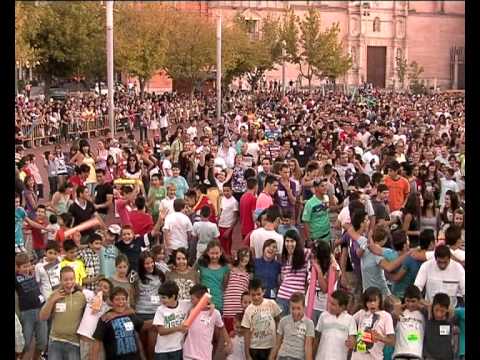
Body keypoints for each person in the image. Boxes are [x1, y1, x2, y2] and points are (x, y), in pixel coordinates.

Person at [39, 266, 88, 360]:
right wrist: (52, 300)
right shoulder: (54, 294)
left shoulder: (81, 296)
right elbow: (42, 317)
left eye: (71, 279)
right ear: (60, 280)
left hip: (74, 343)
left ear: (75, 279)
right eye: (66, 280)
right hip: (55, 341)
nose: (69, 282)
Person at [91, 287, 145, 360]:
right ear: (111, 301)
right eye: (117, 299)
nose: (121, 302)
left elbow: (143, 328)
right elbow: (97, 341)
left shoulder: (131, 315)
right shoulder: (105, 318)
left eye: (123, 299)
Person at [182, 284, 233, 359]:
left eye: (193, 299)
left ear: (202, 299)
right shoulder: (190, 310)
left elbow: (222, 327)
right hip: (188, 354)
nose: (191, 301)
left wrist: (228, 342)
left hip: (205, 355)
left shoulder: (215, 313)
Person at [15, 252, 48, 360]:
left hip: (40, 310)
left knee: (43, 341)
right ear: (17, 268)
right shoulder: (16, 278)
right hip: (26, 313)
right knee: (26, 343)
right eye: (24, 267)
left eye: (28, 265)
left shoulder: (33, 274)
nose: (27, 268)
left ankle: (36, 357)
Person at [133, 251, 166, 360]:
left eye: (152, 262)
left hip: (155, 313)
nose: (150, 265)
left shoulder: (160, 274)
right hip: (140, 313)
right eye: (147, 263)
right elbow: (132, 293)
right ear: (142, 265)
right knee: (142, 345)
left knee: (152, 345)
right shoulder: (136, 276)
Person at [241, 278, 282, 360]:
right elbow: (247, 333)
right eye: (253, 295)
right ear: (249, 293)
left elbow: (278, 321)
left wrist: (278, 343)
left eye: (258, 294)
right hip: (255, 348)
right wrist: (247, 354)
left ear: (263, 291)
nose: (256, 297)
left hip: (270, 346)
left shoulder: (271, 304)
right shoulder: (248, 310)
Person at [351, 287, 395, 360]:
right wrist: (352, 337)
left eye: (375, 301)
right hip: (357, 357)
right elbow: (348, 323)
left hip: (374, 357)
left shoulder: (386, 316)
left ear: (380, 301)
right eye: (369, 301)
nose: (372, 304)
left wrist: (379, 337)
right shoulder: (361, 313)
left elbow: (392, 341)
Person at [153, 280, 191, 360]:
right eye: (160, 297)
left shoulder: (185, 304)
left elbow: (201, 300)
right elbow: (161, 331)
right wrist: (178, 328)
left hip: (178, 348)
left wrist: (211, 304)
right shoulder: (160, 310)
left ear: (173, 296)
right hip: (162, 351)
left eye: (164, 298)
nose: (161, 300)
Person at [314, 289, 357, 360]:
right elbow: (316, 339)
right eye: (329, 302)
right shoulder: (323, 316)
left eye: (333, 304)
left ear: (342, 307)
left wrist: (351, 343)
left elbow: (352, 341)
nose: (329, 306)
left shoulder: (350, 320)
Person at [270, 292, 315, 360]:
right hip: (283, 356)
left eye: (298, 308)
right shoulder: (283, 321)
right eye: (293, 308)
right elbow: (277, 344)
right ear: (289, 308)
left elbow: (308, 347)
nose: (295, 312)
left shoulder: (309, 323)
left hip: (298, 357)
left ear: (304, 307)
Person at [76, 278, 113, 360]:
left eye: (105, 287)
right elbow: (77, 286)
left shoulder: (108, 306)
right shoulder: (90, 294)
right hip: (84, 338)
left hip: (98, 342)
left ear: (109, 292)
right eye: (99, 285)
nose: (101, 288)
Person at [276, 230, 308, 316]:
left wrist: (333, 261)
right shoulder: (284, 256)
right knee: (281, 326)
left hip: (297, 298)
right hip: (282, 296)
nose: (289, 244)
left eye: (292, 241)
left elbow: (320, 252)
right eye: (287, 241)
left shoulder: (305, 253)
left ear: (297, 242)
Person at [223, 248, 252, 335]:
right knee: (228, 336)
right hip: (228, 309)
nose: (244, 258)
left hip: (240, 310)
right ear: (238, 257)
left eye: (247, 256)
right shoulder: (230, 269)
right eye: (242, 255)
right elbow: (224, 286)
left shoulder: (249, 274)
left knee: (239, 337)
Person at [392, 285, 425, 360]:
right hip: (399, 353)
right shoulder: (399, 312)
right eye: (408, 301)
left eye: (413, 301)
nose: (410, 304)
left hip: (416, 354)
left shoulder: (424, 314)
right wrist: (395, 311)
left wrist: (423, 306)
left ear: (419, 300)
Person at [197, 240, 230, 312]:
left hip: (218, 303)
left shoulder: (225, 267)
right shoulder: (201, 264)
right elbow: (189, 271)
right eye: (212, 253)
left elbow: (225, 285)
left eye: (217, 253)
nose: (214, 256)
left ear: (221, 253)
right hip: (203, 303)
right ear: (207, 253)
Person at [421, 293, 455, 360]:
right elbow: (417, 299)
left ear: (447, 310)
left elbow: (452, 311)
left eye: (442, 311)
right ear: (432, 307)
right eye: (436, 310)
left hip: (447, 357)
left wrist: (450, 310)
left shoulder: (450, 319)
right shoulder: (427, 314)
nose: (439, 314)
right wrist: (429, 305)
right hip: (429, 357)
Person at [302, 179, 331, 245]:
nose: (325, 188)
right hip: (316, 238)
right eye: (322, 186)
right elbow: (305, 222)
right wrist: (309, 240)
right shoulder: (309, 203)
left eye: (326, 185)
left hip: (327, 235)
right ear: (316, 188)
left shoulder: (326, 198)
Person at [218, 182, 239, 256]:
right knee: (220, 245)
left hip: (228, 227)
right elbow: (220, 211)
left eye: (227, 191)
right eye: (224, 191)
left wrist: (230, 229)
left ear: (231, 191)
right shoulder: (222, 199)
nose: (226, 192)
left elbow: (236, 218)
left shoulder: (234, 202)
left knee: (227, 246)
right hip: (220, 225)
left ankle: (228, 259)